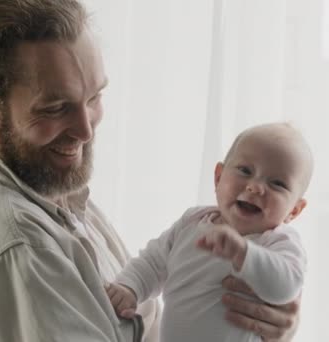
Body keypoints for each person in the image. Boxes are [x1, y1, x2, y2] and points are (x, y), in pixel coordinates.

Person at [0, 0, 301, 341]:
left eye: (94, 97)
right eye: (55, 108)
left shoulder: (56, 193)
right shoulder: (22, 249)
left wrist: (253, 323)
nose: (86, 130)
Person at [107, 123, 312, 342]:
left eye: (277, 183)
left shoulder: (278, 242)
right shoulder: (192, 222)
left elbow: (286, 288)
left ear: (294, 210)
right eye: (245, 171)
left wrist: (244, 253)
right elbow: (152, 262)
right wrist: (129, 288)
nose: (255, 187)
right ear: (218, 178)